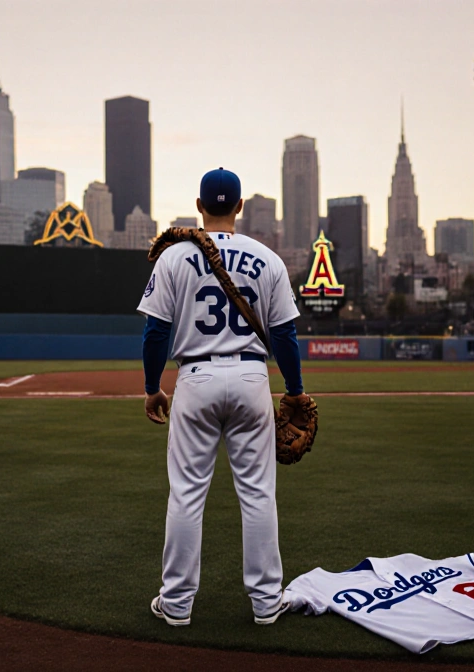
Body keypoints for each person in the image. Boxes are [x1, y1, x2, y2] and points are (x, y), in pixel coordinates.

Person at [137, 168, 306, 628]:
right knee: (257, 495)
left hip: (196, 377)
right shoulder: (267, 258)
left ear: (199, 206)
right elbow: (286, 335)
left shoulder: (174, 258)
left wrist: (153, 387)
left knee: (187, 495)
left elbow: (156, 332)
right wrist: (293, 391)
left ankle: (175, 606)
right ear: (240, 207)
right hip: (252, 377)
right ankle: (267, 603)